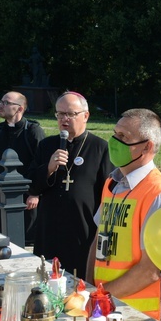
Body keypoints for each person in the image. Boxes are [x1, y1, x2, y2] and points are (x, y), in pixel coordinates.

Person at [88, 108, 161, 321]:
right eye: (115, 133)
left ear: (147, 146)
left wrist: (100, 296)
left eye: (123, 137)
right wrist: (91, 288)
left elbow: (151, 270)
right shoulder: (112, 184)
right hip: (106, 303)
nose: (113, 141)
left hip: (140, 313)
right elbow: (98, 238)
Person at [30, 91, 113, 279]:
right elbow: (32, 187)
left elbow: (108, 194)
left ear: (86, 116)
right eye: (60, 114)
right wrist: (49, 168)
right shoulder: (46, 145)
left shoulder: (100, 148)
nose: (64, 119)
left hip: (83, 230)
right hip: (49, 229)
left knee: (80, 285)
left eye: (70, 114)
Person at [0, 91, 44, 244]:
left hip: (26, 198)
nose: (1, 105)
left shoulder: (33, 131)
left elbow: (42, 163)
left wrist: (35, 194)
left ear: (20, 108)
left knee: (26, 241)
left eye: (6, 103)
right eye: (1, 102)